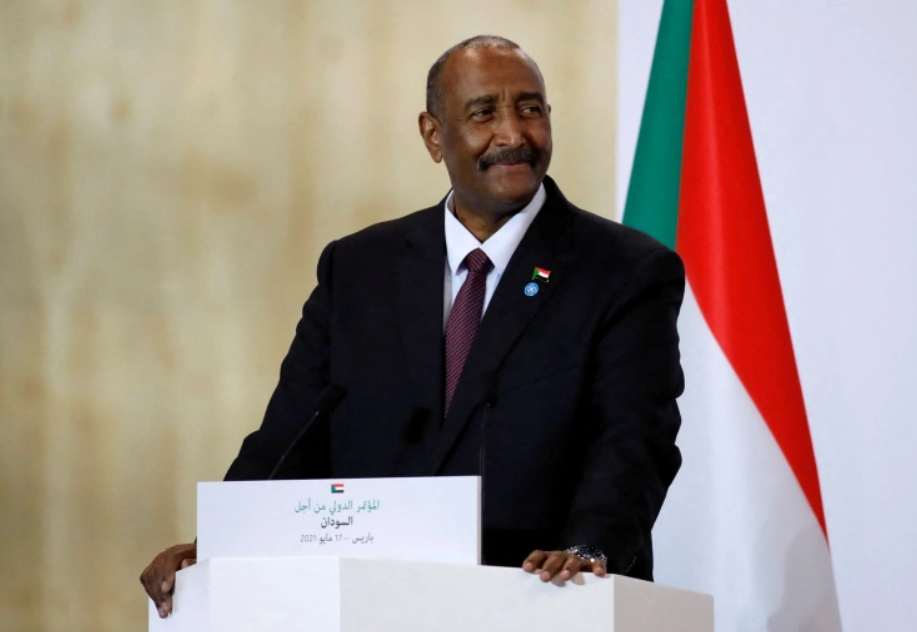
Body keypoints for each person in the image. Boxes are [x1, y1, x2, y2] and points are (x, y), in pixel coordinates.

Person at [141, 35, 685, 619]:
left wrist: (590, 547)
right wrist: (216, 547)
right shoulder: (359, 268)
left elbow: (635, 438)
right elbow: (291, 433)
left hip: (543, 600)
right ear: (433, 135)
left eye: (530, 109)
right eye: (484, 113)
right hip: (374, 603)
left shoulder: (624, 270)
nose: (513, 134)